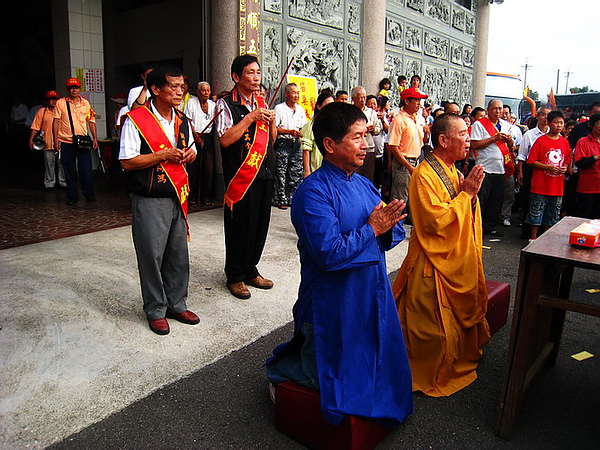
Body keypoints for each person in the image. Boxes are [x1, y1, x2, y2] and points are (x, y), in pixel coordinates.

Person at [265, 102, 413, 427]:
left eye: (367, 136)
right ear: (330, 144)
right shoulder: (312, 193)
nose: (366, 145)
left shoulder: (362, 183)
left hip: (369, 292)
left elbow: (393, 226)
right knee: (334, 381)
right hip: (331, 302)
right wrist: (372, 229)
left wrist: (383, 226)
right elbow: (329, 252)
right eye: (358, 137)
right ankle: (284, 372)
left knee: (376, 369)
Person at [393, 113, 489, 397]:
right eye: (462, 134)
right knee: (432, 329)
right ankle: (427, 370)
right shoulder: (424, 174)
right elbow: (433, 222)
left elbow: (462, 209)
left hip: (450, 256)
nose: (468, 139)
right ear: (444, 140)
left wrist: (468, 196)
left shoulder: (450, 169)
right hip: (431, 262)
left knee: (449, 327)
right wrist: (466, 196)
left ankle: (452, 361)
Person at [119, 65, 200, 335]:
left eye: (182, 87)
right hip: (150, 197)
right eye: (173, 87)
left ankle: (177, 304)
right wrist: (162, 155)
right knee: (151, 255)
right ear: (156, 89)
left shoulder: (182, 120)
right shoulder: (135, 119)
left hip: (177, 194)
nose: (179, 92)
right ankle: (155, 309)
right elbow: (128, 162)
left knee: (178, 254)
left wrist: (190, 155)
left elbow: (191, 149)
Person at [216, 54, 276, 300]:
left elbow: (271, 141)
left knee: (260, 225)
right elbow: (225, 139)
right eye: (250, 72)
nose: (255, 77)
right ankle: (235, 275)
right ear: (236, 76)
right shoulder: (226, 104)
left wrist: (271, 123)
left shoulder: (261, 102)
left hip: (264, 173)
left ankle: (251, 269)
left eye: (258, 72)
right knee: (240, 227)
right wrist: (251, 118)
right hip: (241, 178)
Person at [470, 99, 514, 237]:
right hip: (485, 168)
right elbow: (474, 145)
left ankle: (490, 226)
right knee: (482, 199)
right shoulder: (479, 124)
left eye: (500, 109)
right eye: (494, 108)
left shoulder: (506, 125)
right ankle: (477, 226)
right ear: (488, 110)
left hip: (500, 169)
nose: (498, 111)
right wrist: (493, 138)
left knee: (496, 200)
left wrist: (509, 141)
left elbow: (510, 147)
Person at [52, 77, 98, 206]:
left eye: (76, 88)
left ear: (79, 89)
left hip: (82, 140)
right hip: (66, 141)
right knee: (69, 170)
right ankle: (71, 195)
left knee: (86, 169)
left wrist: (95, 138)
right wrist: (56, 140)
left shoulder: (86, 103)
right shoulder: (61, 103)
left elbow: (92, 121)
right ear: (67, 89)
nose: (74, 90)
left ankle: (88, 193)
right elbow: (56, 122)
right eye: (71, 88)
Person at [525, 110, 571, 239]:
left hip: (557, 187)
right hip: (540, 185)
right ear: (549, 123)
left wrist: (564, 168)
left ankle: (547, 240)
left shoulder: (564, 142)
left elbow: (567, 161)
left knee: (553, 215)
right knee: (536, 213)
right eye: (556, 122)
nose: (559, 125)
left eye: (561, 123)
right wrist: (548, 167)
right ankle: (533, 238)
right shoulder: (541, 141)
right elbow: (531, 161)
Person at [388, 87, 428, 209]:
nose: (419, 104)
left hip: (416, 161)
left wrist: (426, 132)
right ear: (407, 101)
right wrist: (408, 166)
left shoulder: (416, 119)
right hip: (404, 164)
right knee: (400, 199)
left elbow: (423, 142)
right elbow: (394, 147)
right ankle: (394, 226)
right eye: (416, 100)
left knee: (413, 198)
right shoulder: (399, 120)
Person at [273, 83, 307, 209]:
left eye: (298, 93)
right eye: (294, 92)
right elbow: (275, 128)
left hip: (296, 143)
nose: (296, 95)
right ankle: (280, 199)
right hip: (283, 142)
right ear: (286, 94)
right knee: (281, 172)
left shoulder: (300, 110)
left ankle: (293, 198)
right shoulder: (279, 108)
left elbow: (303, 126)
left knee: (296, 171)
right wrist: (289, 131)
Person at [517, 107, 550, 239]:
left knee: (543, 201)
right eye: (542, 115)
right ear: (537, 116)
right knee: (528, 200)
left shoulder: (554, 135)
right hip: (530, 169)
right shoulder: (529, 135)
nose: (545, 118)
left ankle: (542, 232)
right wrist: (520, 172)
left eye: (548, 115)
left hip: (547, 172)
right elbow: (522, 155)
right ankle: (527, 232)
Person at [185, 81, 217, 205]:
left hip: (208, 137)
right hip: (194, 136)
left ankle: (205, 197)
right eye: (203, 90)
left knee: (208, 168)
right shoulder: (191, 103)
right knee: (193, 168)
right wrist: (196, 136)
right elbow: (188, 121)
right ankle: (192, 196)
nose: (206, 92)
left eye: (208, 90)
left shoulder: (212, 104)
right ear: (198, 92)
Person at [29, 91, 66, 190]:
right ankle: (50, 183)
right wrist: (31, 139)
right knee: (49, 165)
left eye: (55, 99)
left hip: (61, 141)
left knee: (62, 164)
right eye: (51, 99)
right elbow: (35, 127)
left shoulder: (62, 111)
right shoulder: (42, 111)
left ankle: (63, 182)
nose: (53, 101)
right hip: (47, 142)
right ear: (47, 101)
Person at [351, 86, 381, 183]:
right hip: (354, 149)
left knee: (368, 176)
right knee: (355, 176)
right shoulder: (349, 112)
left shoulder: (371, 112)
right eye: (360, 98)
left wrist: (373, 129)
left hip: (369, 147)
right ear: (353, 99)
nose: (363, 100)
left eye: (364, 97)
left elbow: (378, 128)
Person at [301, 91, 334, 177]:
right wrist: (307, 171)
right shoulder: (310, 125)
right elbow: (306, 150)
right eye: (327, 105)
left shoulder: (334, 125)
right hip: (316, 169)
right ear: (319, 106)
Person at [500, 105, 523, 227]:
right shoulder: (494, 127)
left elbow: (520, 145)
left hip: (509, 163)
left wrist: (512, 145)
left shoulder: (515, 129)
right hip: (496, 164)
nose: (504, 115)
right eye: (502, 113)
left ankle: (505, 216)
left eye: (506, 113)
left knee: (509, 192)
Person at [573, 113, 600, 219]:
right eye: (599, 124)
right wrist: (595, 158)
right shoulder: (583, 142)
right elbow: (579, 162)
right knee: (585, 220)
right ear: (592, 126)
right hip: (587, 189)